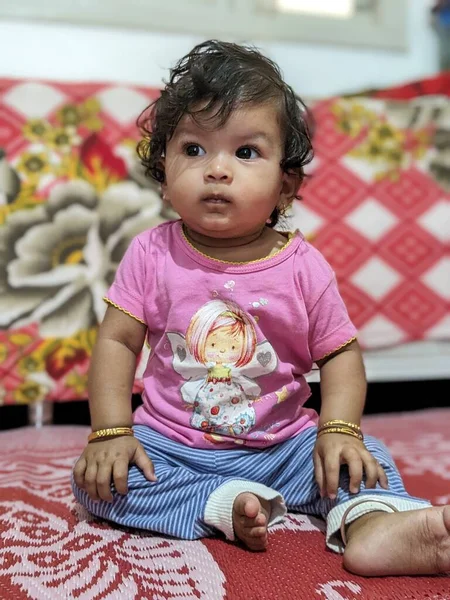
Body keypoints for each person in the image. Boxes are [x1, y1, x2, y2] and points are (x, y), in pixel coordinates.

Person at [72, 40, 450, 577]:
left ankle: (376, 526)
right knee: (98, 486)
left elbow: (341, 355)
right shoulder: (151, 254)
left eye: (245, 152)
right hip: (172, 446)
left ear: (286, 186)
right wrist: (111, 433)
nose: (217, 170)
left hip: (284, 447)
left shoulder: (304, 266)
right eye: (194, 150)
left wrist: (339, 428)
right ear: (163, 172)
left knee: (363, 461)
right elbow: (116, 341)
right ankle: (221, 505)